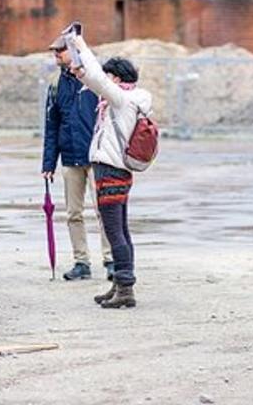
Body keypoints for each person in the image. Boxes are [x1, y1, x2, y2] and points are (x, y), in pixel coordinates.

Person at [68, 32, 153, 309]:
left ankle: (125, 289)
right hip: (116, 170)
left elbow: (98, 81)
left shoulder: (122, 100)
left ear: (116, 79)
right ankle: (119, 282)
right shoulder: (125, 100)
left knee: (114, 231)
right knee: (120, 229)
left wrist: (80, 44)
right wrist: (81, 72)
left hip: (110, 170)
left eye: (108, 77)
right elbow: (95, 81)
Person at [41, 31, 112, 281]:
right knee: (73, 213)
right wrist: (48, 162)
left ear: (73, 51)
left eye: (59, 51)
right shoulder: (56, 84)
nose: (55, 56)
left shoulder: (93, 79)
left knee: (104, 210)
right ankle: (81, 262)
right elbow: (51, 125)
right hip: (70, 158)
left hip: (96, 158)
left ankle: (111, 259)